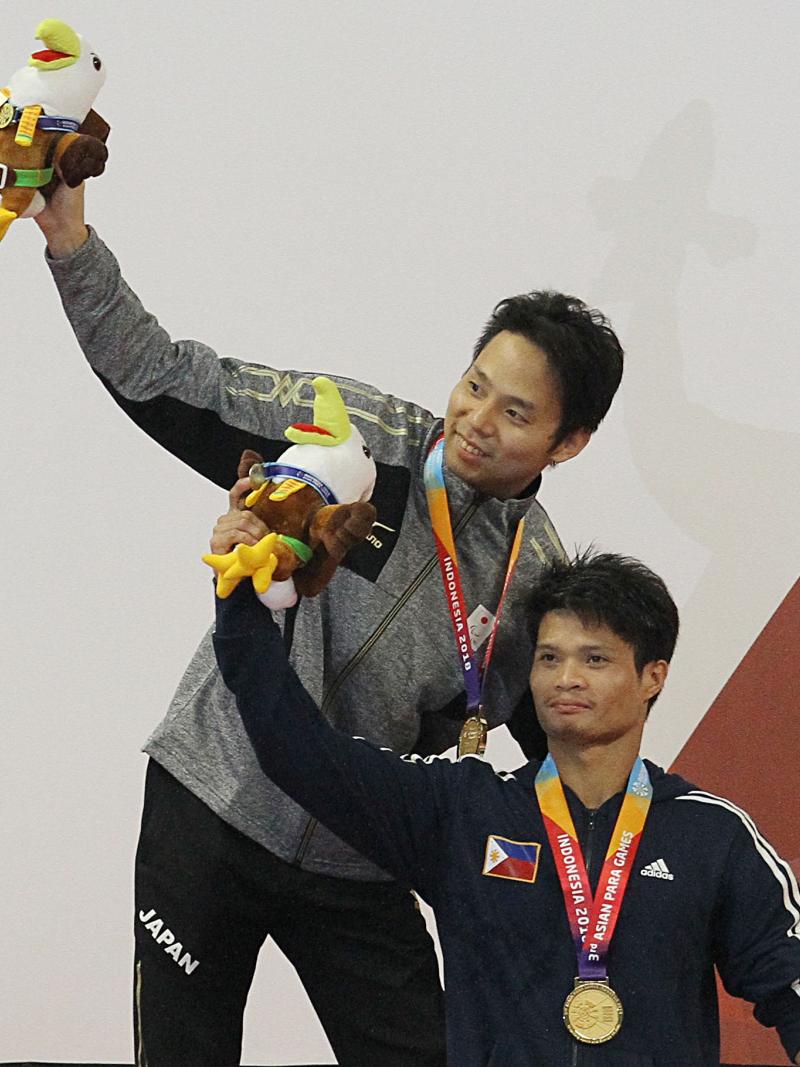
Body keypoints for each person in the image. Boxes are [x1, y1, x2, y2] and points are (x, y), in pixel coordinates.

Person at [36, 184, 624, 1066]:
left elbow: (564, 756)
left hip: (360, 861)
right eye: (474, 386)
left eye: (516, 413)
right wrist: (72, 242)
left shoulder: (537, 577)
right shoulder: (352, 435)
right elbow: (162, 374)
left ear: (567, 441)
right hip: (211, 810)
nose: (476, 421)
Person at [212, 550, 800, 1066]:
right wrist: (242, 600)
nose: (565, 678)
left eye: (594, 660)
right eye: (548, 658)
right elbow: (299, 751)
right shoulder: (466, 810)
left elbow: (789, 979)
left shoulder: (711, 834)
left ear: (652, 677)